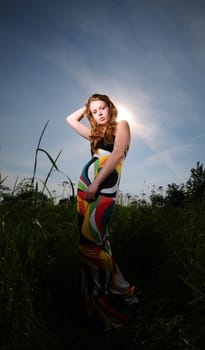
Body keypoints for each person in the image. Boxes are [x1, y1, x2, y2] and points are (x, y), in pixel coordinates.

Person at [66, 93, 139, 331]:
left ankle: (117, 295)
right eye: (94, 111)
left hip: (103, 185)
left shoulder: (121, 126)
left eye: (102, 108)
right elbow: (70, 119)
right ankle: (101, 299)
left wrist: (96, 183)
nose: (99, 113)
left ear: (111, 108)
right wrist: (87, 106)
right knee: (92, 241)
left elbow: (117, 154)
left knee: (92, 242)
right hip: (84, 187)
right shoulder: (94, 134)